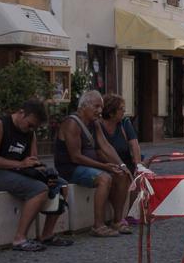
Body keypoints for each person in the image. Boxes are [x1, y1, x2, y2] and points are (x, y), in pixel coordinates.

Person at [0, 99, 73, 252]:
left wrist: (44, 173)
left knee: (61, 184)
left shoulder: (30, 133)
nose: (31, 129)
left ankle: (47, 235)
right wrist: (20, 164)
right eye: (30, 124)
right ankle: (19, 239)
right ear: (21, 113)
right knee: (39, 190)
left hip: (18, 172)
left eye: (34, 127)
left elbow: (33, 160)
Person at [55, 90, 132, 237]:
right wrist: (104, 166)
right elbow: (75, 157)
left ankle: (117, 220)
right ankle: (98, 225)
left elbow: (105, 145)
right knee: (105, 178)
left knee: (121, 175)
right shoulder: (72, 123)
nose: (100, 111)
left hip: (89, 166)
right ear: (84, 106)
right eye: (96, 107)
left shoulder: (94, 123)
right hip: (71, 169)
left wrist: (122, 165)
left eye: (101, 107)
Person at [99, 94, 141, 231]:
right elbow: (100, 149)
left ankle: (132, 213)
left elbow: (134, 144)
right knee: (120, 175)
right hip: (107, 163)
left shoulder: (124, 123)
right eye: (121, 109)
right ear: (111, 113)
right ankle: (119, 217)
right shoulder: (98, 126)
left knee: (139, 173)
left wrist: (138, 164)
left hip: (125, 160)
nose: (124, 111)